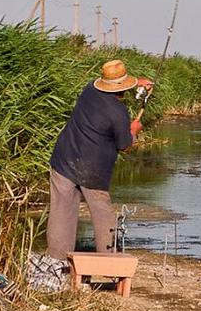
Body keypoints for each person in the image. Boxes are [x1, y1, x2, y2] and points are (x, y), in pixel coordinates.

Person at [46, 59, 151, 261]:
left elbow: (116, 83)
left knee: (61, 212)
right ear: (123, 86)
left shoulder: (89, 90)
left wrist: (138, 81)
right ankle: (108, 261)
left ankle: (57, 263)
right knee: (103, 214)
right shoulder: (118, 112)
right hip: (92, 169)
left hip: (63, 158)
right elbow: (125, 146)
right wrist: (134, 131)